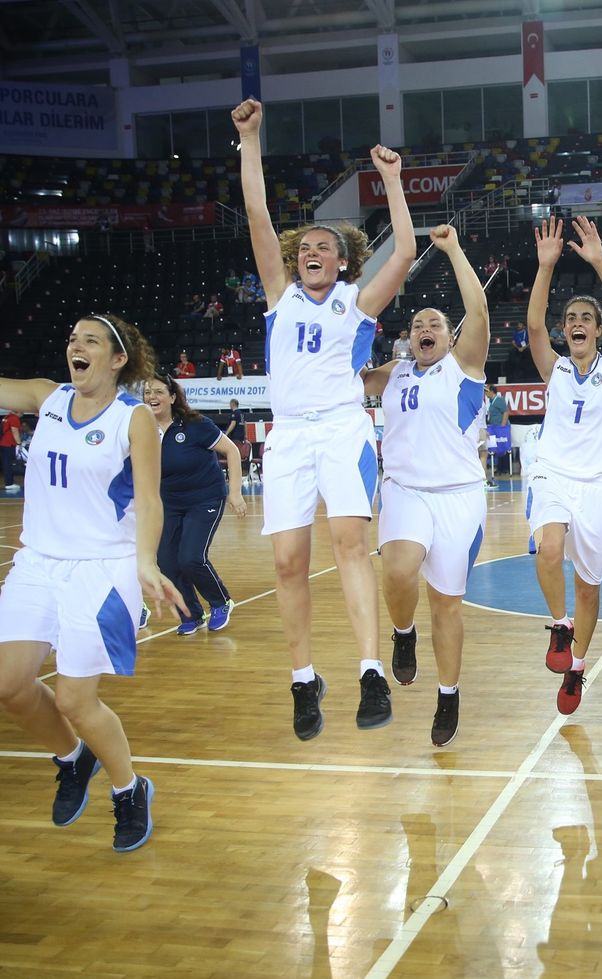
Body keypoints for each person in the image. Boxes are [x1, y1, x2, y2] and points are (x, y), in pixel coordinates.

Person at [0, 314, 184, 851]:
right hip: (38, 561)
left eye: (91, 341)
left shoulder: (134, 419)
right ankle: (73, 758)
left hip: (102, 567)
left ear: (117, 359)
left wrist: (147, 562)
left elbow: (149, 499)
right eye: (73, 339)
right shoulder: (46, 397)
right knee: (7, 684)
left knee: (76, 701)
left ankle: (129, 788)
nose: (75, 346)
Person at [233, 97, 417, 741]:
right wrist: (250, 140)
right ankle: (303, 678)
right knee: (287, 561)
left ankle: (370, 669)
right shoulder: (279, 297)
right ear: (293, 258)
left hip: (342, 427)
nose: (312, 250)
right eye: (305, 245)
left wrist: (393, 180)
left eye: (325, 246)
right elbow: (257, 213)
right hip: (289, 435)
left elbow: (406, 251)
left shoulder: (356, 303)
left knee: (347, 545)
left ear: (341, 261)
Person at [363, 224, 489, 746]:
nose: (423, 329)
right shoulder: (392, 372)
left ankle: (448, 693)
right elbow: (345, 379)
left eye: (433, 323)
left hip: (459, 497)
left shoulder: (466, 366)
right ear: (407, 337)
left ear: (449, 335)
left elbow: (478, 310)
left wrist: (456, 248)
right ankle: (402, 633)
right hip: (404, 491)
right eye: (416, 325)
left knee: (446, 604)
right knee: (397, 570)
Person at [523, 216, 602, 716]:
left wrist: (597, 262)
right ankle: (559, 624)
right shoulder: (555, 367)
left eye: (586, 318)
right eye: (571, 318)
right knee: (549, 549)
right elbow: (532, 325)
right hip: (553, 475)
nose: (576, 323)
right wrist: (546, 266)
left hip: (600, 487)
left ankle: (578, 667)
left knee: (591, 586)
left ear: (598, 329)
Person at [144, 372, 247, 635]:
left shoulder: (195, 424)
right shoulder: (142, 430)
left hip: (205, 498)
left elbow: (232, 451)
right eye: (147, 392)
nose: (151, 397)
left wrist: (234, 493)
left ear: (172, 397)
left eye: (157, 391)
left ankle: (220, 601)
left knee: (191, 557)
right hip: (169, 502)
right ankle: (190, 614)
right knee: (166, 561)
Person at [483, 382, 509, 487]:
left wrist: (502, 426)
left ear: (492, 391)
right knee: (495, 448)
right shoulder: (490, 401)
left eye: (487, 391)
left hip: (499, 428)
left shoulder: (499, 400)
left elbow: (506, 412)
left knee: (503, 446)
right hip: (493, 427)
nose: (485, 393)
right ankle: (499, 468)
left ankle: (505, 468)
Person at [0, 407, 23, 492]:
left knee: (6, 464)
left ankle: (9, 482)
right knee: (8, 464)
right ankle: (9, 483)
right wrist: (19, 443)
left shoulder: (6, 417)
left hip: (2, 443)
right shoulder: (14, 418)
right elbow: (15, 431)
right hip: (8, 444)